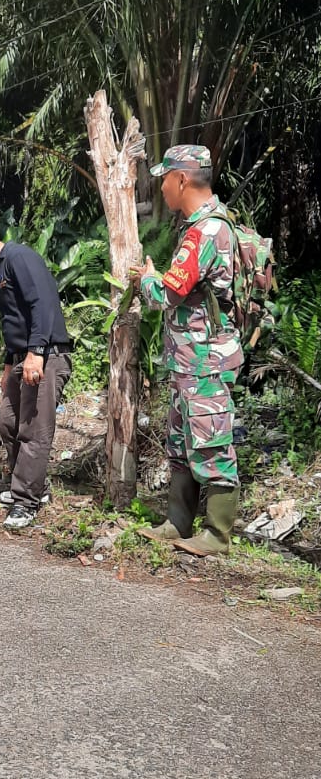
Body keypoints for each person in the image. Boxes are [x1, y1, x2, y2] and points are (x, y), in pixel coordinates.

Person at [130, 144, 242, 557]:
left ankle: (217, 534)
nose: (160, 187)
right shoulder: (200, 226)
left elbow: (170, 293)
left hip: (204, 361)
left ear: (181, 180)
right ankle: (178, 522)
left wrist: (146, 279)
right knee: (182, 441)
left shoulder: (205, 232)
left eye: (164, 179)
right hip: (188, 361)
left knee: (211, 442)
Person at [0, 219, 71, 531]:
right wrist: (9, 367)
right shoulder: (3, 268)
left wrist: (37, 353)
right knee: (8, 422)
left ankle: (26, 502)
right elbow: (15, 320)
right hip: (21, 358)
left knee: (33, 429)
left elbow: (42, 305)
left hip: (45, 356)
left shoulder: (20, 258)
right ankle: (33, 487)